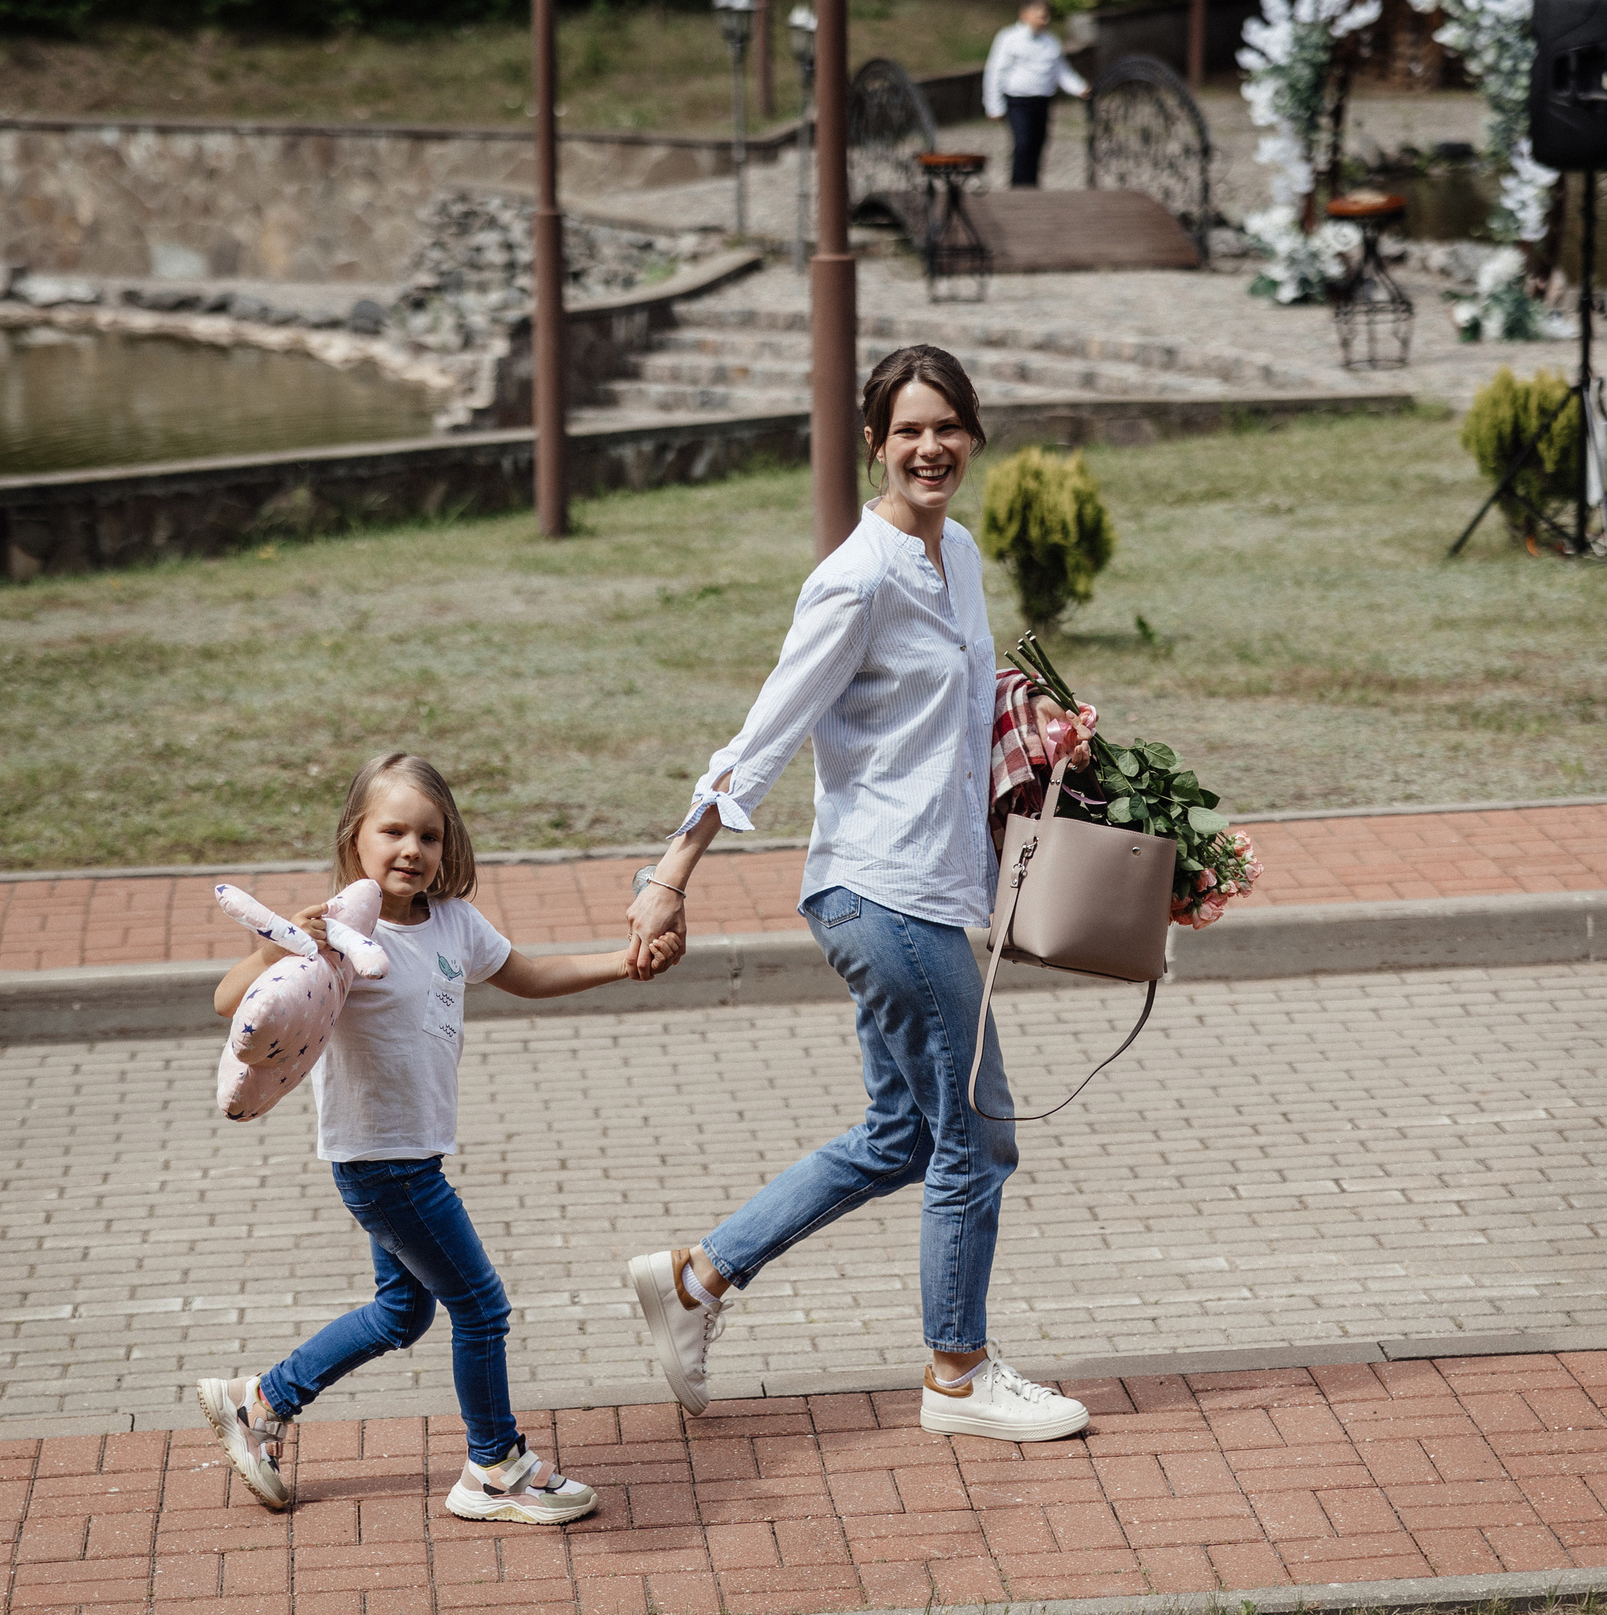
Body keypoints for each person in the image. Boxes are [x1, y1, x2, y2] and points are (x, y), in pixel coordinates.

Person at [620, 346, 1092, 1445]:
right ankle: (957, 1374)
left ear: (972, 437)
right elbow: (766, 732)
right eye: (908, 431)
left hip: (927, 886)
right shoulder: (857, 575)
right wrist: (670, 871)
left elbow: (960, 701)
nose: (930, 448)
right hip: (879, 893)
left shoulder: (956, 553)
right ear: (874, 444)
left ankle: (696, 1280)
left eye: (949, 428)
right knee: (974, 1135)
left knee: (899, 1135)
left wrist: (1047, 725)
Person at [197, 752, 682, 1523]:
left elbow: (527, 973)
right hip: (378, 1163)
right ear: (356, 836)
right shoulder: (336, 933)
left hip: (415, 1153)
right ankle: (494, 1464)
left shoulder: (452, 920)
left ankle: (260, 1397)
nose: (411, 849)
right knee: (481, 1307)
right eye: (393, 830)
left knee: (403, 1313)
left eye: (429, 833)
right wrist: (273, 945)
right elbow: (232, 998)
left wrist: (623, 965)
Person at [983, 0, 1089, 190]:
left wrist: (1079, 88)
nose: (1044, 20)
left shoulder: (1050, 41)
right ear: (1025, 14)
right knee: (1023, 144)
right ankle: (1019, 188)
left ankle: (1031, 187)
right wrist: (994, 106)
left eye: (1046, 16)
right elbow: (995, 72)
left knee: (1037, 145)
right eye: (1040, 16)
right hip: (1018, 101)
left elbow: (1061, 71)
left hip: (1042, 101)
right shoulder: (1009, 38)